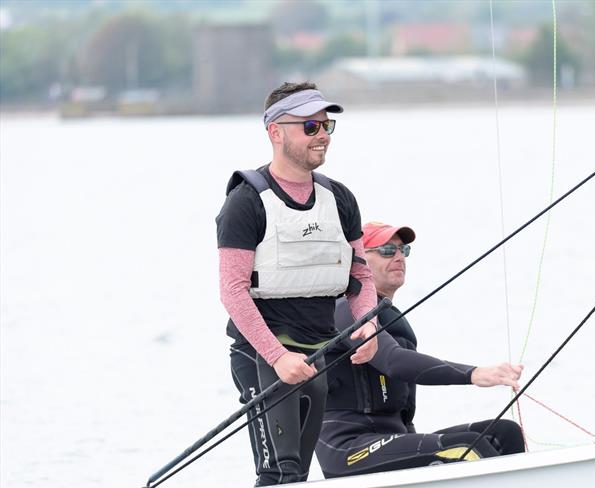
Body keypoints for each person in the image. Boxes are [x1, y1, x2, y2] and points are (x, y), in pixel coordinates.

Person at [215, 81, 379, 486]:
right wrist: (276, 357)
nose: (322, 135)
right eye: (310, 126)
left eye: (326, 126)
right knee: (279, 473)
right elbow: (232, 290)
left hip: (317, 351)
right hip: (262, 357)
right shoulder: (246, 202)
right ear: (276, 132)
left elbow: (359, 276)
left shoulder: (339, 199)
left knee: (299, 478)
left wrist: (367, 323)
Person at [315, 221, 526, 478]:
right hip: (347, 447)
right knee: (468, 447)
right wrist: (474, 374)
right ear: (356, 261)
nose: (399, 257)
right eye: (386, 250)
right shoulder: (344, 309)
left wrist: (416, 451)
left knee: (503, 433)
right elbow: (393, 361)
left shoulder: (394, 320)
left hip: (392, 438)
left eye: (403, 250)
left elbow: (403, 408)